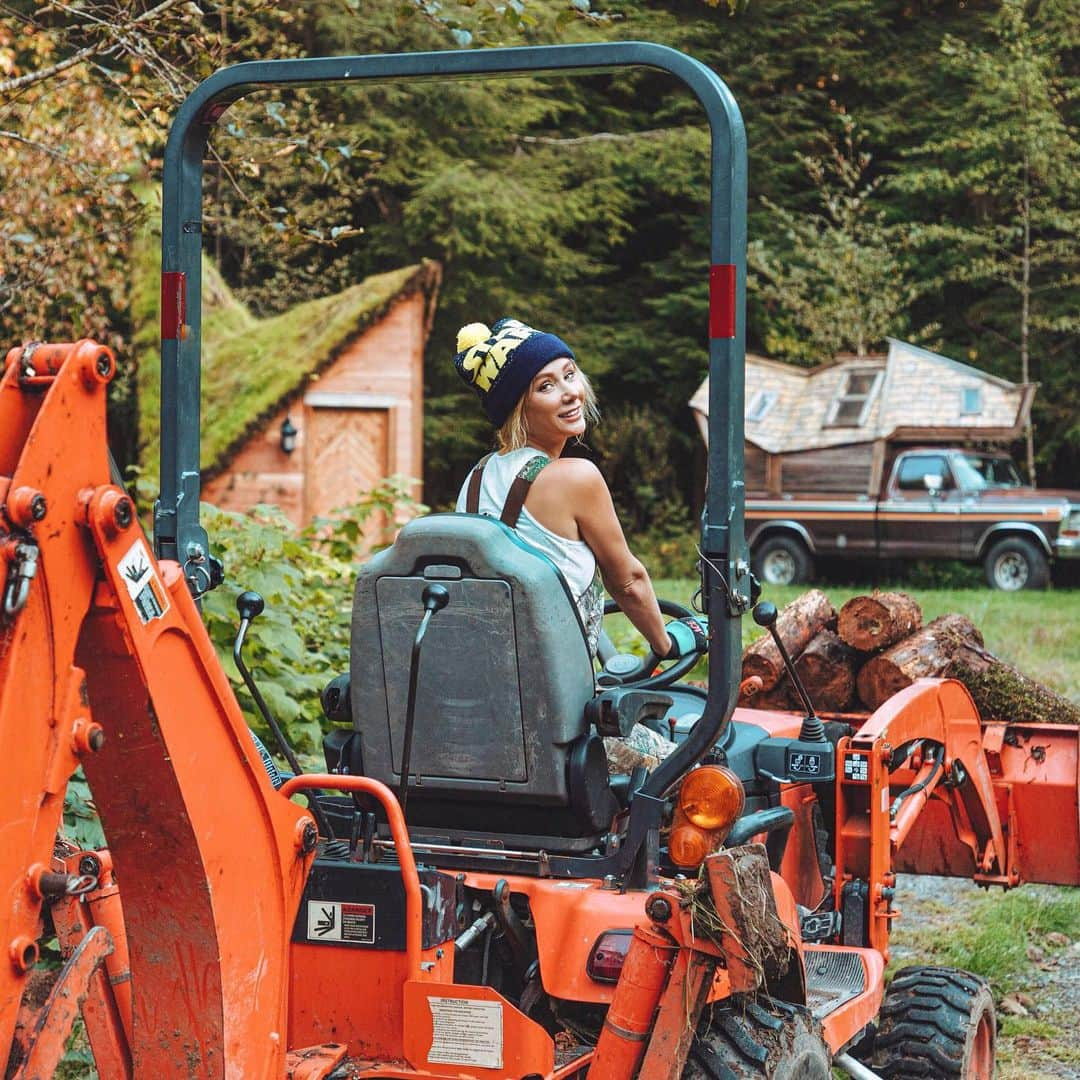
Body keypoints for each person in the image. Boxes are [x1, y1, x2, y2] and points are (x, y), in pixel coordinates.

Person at [452, 317, 704, 672]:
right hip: (556, 705)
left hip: (487, 687)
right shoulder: (575, 477)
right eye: (545, 386)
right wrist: (666, 643)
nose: (570, 392)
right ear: (516, 409)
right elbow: (628, 582)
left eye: (569, 375)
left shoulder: (476, 477)